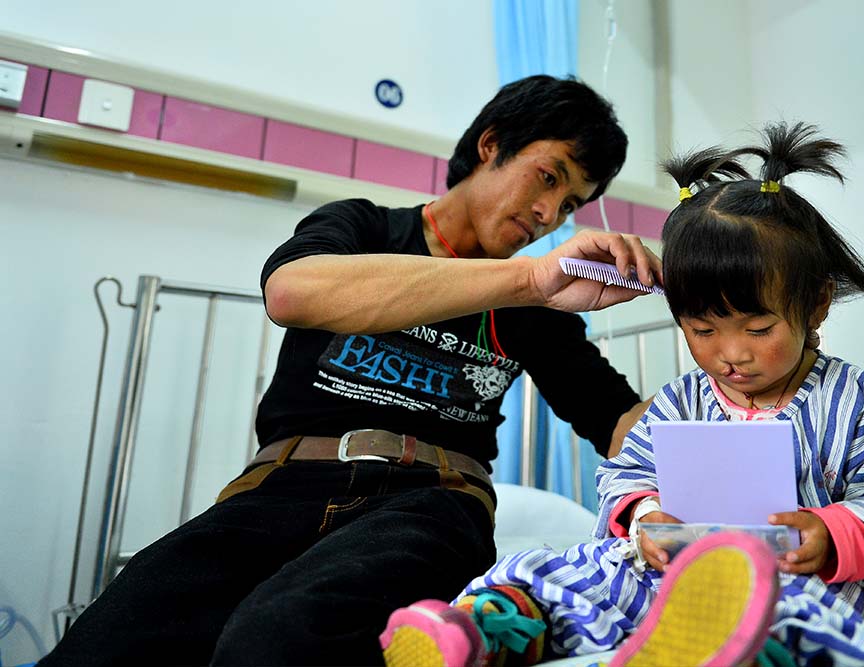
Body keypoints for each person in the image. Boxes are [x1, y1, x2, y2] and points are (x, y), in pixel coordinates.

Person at [40, 75, 662, 666]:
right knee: (103, 648)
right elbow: (292, 294)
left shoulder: (537, 306)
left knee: (279, 636)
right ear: (491, 144)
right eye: (547, 178)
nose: (550, 213)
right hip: (279, 490)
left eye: (571, 202)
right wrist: (529, 277)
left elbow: (619, 422)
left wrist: (735, 385)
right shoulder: (368, 227)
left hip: (432, 501)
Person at [380, 122, 864, 667]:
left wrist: (830, 537)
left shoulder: (855, 399)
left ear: (816, 305)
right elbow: (625, 473)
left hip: (798, 575)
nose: (731, 352)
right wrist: (647, 516)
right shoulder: (681, 400)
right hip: (673, 570)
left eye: (758, 330)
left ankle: (746, 645)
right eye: (702, 331)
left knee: (817, 614)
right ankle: (494, 627)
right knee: (582, 571)